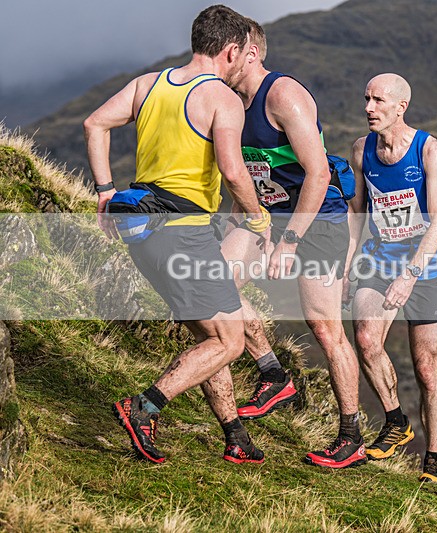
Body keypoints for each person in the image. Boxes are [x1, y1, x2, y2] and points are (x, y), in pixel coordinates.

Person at [84, 5, 270, 465]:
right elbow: (232, 170)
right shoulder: (222, 100)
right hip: (184, 232)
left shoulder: (148, 85)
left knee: (209, 335)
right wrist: (259, 219)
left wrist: (106, 192)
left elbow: (95, 124)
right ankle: (143, 407)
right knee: (229, 340)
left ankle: (235, 436)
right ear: (231, 50)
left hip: (141, 231)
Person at [220, 19, 365, 468]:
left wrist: (288, 242)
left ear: (251, 53)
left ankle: (351, 435)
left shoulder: (283, 95)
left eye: (229, 52)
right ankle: (273, 373)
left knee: (324, 328)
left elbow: (319, 174)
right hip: (265, 216)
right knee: (217, 285)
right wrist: (245, 222)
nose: (221, 62)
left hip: (317, 219)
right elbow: (240, 172)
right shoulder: (225, 101)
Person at [346, 73, 437, 482]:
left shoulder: (429, 150)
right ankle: (395, 421)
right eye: (366, 98)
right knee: (367, 341)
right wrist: (347, 264)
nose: (368, 108)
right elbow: (358, 213)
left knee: (427, 369)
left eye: (377, 101)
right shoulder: (362, 150)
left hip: (425, 264)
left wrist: (410, 275)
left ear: (400, 106)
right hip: (380, 257)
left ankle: (435, 461)